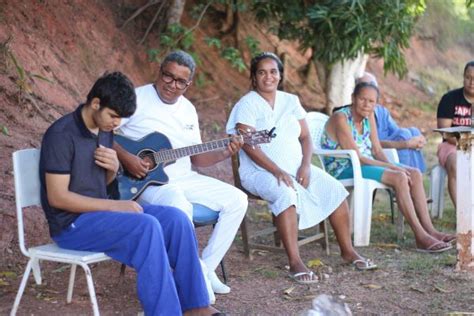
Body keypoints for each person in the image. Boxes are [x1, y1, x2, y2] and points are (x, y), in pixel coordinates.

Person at [39, 72, 217, 315]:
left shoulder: (104, 129)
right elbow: (57, 198)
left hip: (100, 215)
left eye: (121, 119)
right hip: (71, 224)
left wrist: (112, 170)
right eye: (113, 116)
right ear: (95, 104)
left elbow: (104, 185)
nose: (116, 124)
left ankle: (196, 306)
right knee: (146, 226)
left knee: (176, 219)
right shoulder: (61, 135)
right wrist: (117, 206)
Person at [226, 52, 377, 285]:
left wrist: (306, 165)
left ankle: (348, 251)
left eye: (273, 71)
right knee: (286, 192)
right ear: (254, 77)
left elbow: (306, 138)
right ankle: (295, 261)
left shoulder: (290, 101)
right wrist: (277, 170)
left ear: (280, 75)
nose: (268, 77)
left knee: (334, 188)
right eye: (262, 72)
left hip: (297, 167)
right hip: (259, 172)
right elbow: (248, 145)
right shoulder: (247, 104)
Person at [114, 51, 247, 297]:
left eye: (180, 82)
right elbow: (103, 132)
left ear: (189, 84)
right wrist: (127, 158)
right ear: (159, 71)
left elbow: (196, 157)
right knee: (179, 206)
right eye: (168, 76)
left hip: (185, 178)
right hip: (146, 183)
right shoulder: (135, 98)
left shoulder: (188, 110)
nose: (172, 85)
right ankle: (194, 282)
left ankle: (204, 269)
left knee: (238, 200)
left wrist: (225, 153)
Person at [321, 81, 456, 253]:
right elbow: (358, 157)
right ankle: (420, 237)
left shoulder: (369, 116)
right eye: (362, 99)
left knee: (413, 173)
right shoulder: (341, 118)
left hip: (364, 163)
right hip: (343, 167)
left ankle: (431, 231)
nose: (366, 105)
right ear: (353, 98)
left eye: (371, 102)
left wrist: (394, 165)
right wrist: (393, 169)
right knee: (399, 176)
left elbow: (376, 149)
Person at [356, 72, 426, 172]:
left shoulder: (382, 111)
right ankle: (407, 176)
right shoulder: (356, 114)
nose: (369, 91)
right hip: (377, 152)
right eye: (365, 86)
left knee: (413, 132)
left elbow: (396, 131)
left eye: (372, 86)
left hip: (387, 148)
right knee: (405, 134)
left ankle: (417, 175)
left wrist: (417, 140)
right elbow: (370, 144)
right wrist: (406, 144)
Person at [436, 61, 474, 208]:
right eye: (468, 77)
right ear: (463, 77)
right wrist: (467, 143)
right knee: (456, 166)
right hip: (451, 145)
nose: (471, 82)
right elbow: (445, 133)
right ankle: (464, 214)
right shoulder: (449, 99)